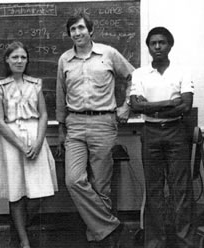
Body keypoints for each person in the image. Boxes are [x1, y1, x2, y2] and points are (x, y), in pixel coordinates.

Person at [56, 13, 134, 248]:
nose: (77, 33)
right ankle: (112, 227)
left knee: (101, 185)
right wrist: (61, 128)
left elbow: (134, 77)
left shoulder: (108, 54)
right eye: (73, 29)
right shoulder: (64, 60)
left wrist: (127, 105)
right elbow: (60, 95)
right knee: (73, 180)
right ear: (69, 33)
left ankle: (98, 238)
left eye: (81, 28)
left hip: (103, 123)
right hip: (75, 125)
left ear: (91, 31)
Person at [130, 27, 196, 248]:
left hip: (177, 133)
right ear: (148, 47)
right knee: (154, 190)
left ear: (170, 45)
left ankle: (184, 242)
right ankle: (155, 243)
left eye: (162, 42)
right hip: (150, 133)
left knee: (181, 190)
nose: (157, 47)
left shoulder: (182, 72)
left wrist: (150, 107)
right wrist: (169, 103)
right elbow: (136, 106)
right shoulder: (139, 73)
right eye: (153, 43)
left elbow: (186, 106)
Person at [0, 41, 58, 248]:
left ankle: (22, 228)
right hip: (11, 142)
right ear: (7, 60)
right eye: (15, 57)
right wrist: (21, 145)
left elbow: (44, 114)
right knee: (16, 191)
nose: (19, 61)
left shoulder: (35, 83)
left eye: (23, 57)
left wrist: (37, 143)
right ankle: (23, 240)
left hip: (35, 136)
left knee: (38, 191)